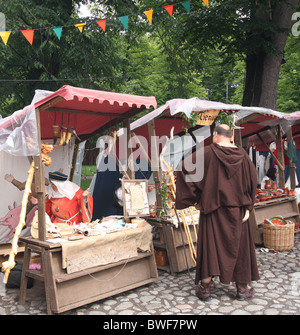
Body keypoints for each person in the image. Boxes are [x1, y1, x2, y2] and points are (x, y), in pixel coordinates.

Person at [175, 124, 259, 301]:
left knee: (210, 249)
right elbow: (253, 181)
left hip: (213, 210)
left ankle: (205, 290)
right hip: (237, 211)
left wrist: (194, 199)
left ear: (216, 135)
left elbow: (184, 168)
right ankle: (241, 290)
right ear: (230, 136)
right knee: (239, 248)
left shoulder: (207, 153)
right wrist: (248, 205)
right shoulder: (243, 156)